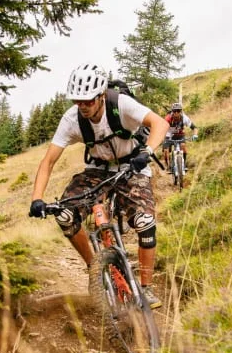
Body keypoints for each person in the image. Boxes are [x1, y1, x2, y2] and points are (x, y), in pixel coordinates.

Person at [29, 64, 169, 309]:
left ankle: (146, 288)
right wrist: (37, 198)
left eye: (88, 101)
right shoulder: (72, 118)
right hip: (97, 169)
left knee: (145, 222)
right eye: (77, 101)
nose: (82, 106)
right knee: (64, 215)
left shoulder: (121, 104)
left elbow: (160, 124)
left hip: (131, 166)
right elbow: (49, 160)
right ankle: (96, 269)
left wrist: (147, 152)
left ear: (101, 95)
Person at [163, 102, 198, 172]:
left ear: (181, 111)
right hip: (168, 134)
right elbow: (161, 128)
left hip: (179, 134)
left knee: (183, 146)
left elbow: (194, 128)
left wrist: (195, 135)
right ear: (172, 112)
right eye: (174, 111)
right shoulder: (167, 119)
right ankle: (168, 165)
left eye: (178, 111)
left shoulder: (184, 118)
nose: (176, 113)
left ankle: (183, 165)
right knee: (166, 151)